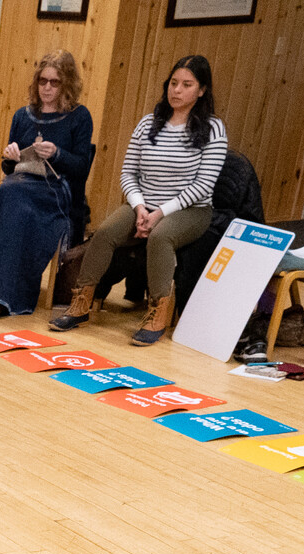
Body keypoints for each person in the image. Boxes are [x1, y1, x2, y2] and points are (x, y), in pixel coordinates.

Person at [54, 54, 226, 346]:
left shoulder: (213, 129)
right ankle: (82, 301)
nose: (177, 90)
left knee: (160, 237)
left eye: (187, 85)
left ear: (201, 90)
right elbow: (128, 173)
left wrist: (159, 213)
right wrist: (139, 207)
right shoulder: (148, 123)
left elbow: (203, 185)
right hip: (143, 204)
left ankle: (158, 311)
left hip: (190, 210)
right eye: (173, 83)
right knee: (106, 231)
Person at [0, 50, 93, 320]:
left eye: (54, 82)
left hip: (55, 192)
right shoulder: (22, 115)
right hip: (20, 185)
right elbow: (8, 169)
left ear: (67, 84)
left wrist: (57, 154)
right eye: (43, 81)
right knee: (11, 205)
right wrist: (10, 157)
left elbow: (81, 168)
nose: (47, 88)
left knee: (6, 198)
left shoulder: (79, 116)